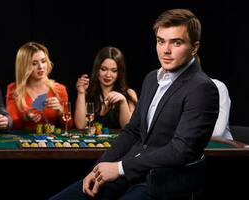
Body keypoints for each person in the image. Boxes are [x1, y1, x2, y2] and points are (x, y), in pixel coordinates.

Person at [49, 8, 219, 200]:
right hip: (129, 171)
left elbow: (181, 150)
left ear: (194, 47)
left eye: (176, 42)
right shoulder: (151, 79)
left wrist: (120, 168)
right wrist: (98, 168)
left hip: (161, 180)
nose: (166, 50)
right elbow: (132, 131)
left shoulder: (202, 88)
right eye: (160, 41)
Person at [6, 42, 71, 131]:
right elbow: (10, 125)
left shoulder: (59, 89)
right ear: (24, 66)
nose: (41, 66)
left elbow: (69, 126)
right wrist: (26, 118)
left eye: (43, 61)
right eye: (34, 63)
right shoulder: (13, 89)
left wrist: (60, 110)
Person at [74, 47, 137, 129]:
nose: (108, 75)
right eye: (103, 69)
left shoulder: (129, 93)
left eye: (114, 71)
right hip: (92, 142)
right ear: (97, 69)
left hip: (119, 142)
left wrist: (123, 101)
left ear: (119, 73)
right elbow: (80, 125)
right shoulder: (88, 93)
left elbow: (128, 128)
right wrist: (81, 93)